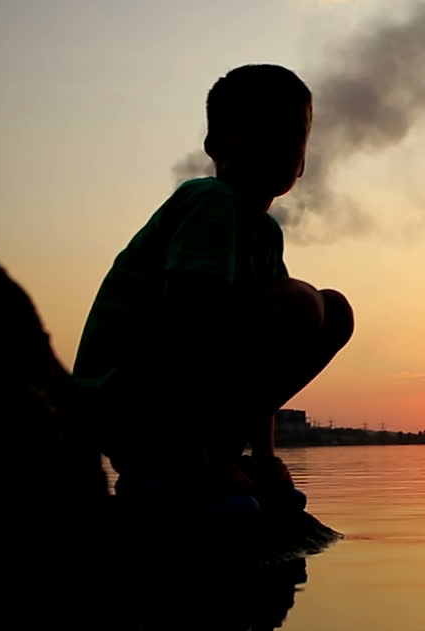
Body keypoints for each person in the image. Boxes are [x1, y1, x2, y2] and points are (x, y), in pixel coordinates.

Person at [73, 64, 352, 511]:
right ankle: (180, 462)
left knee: (334, 312)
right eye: (261, 129)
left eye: (293, 134)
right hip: (125, 401)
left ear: (303, 161)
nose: (278, 144)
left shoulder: (267, 234)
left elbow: (265, 355)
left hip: (175, 401)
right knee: (302, 304)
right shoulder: (209, 200)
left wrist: (264, 457)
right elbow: (181, 323)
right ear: (216, 144)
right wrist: (195, 455)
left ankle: (218, 456)